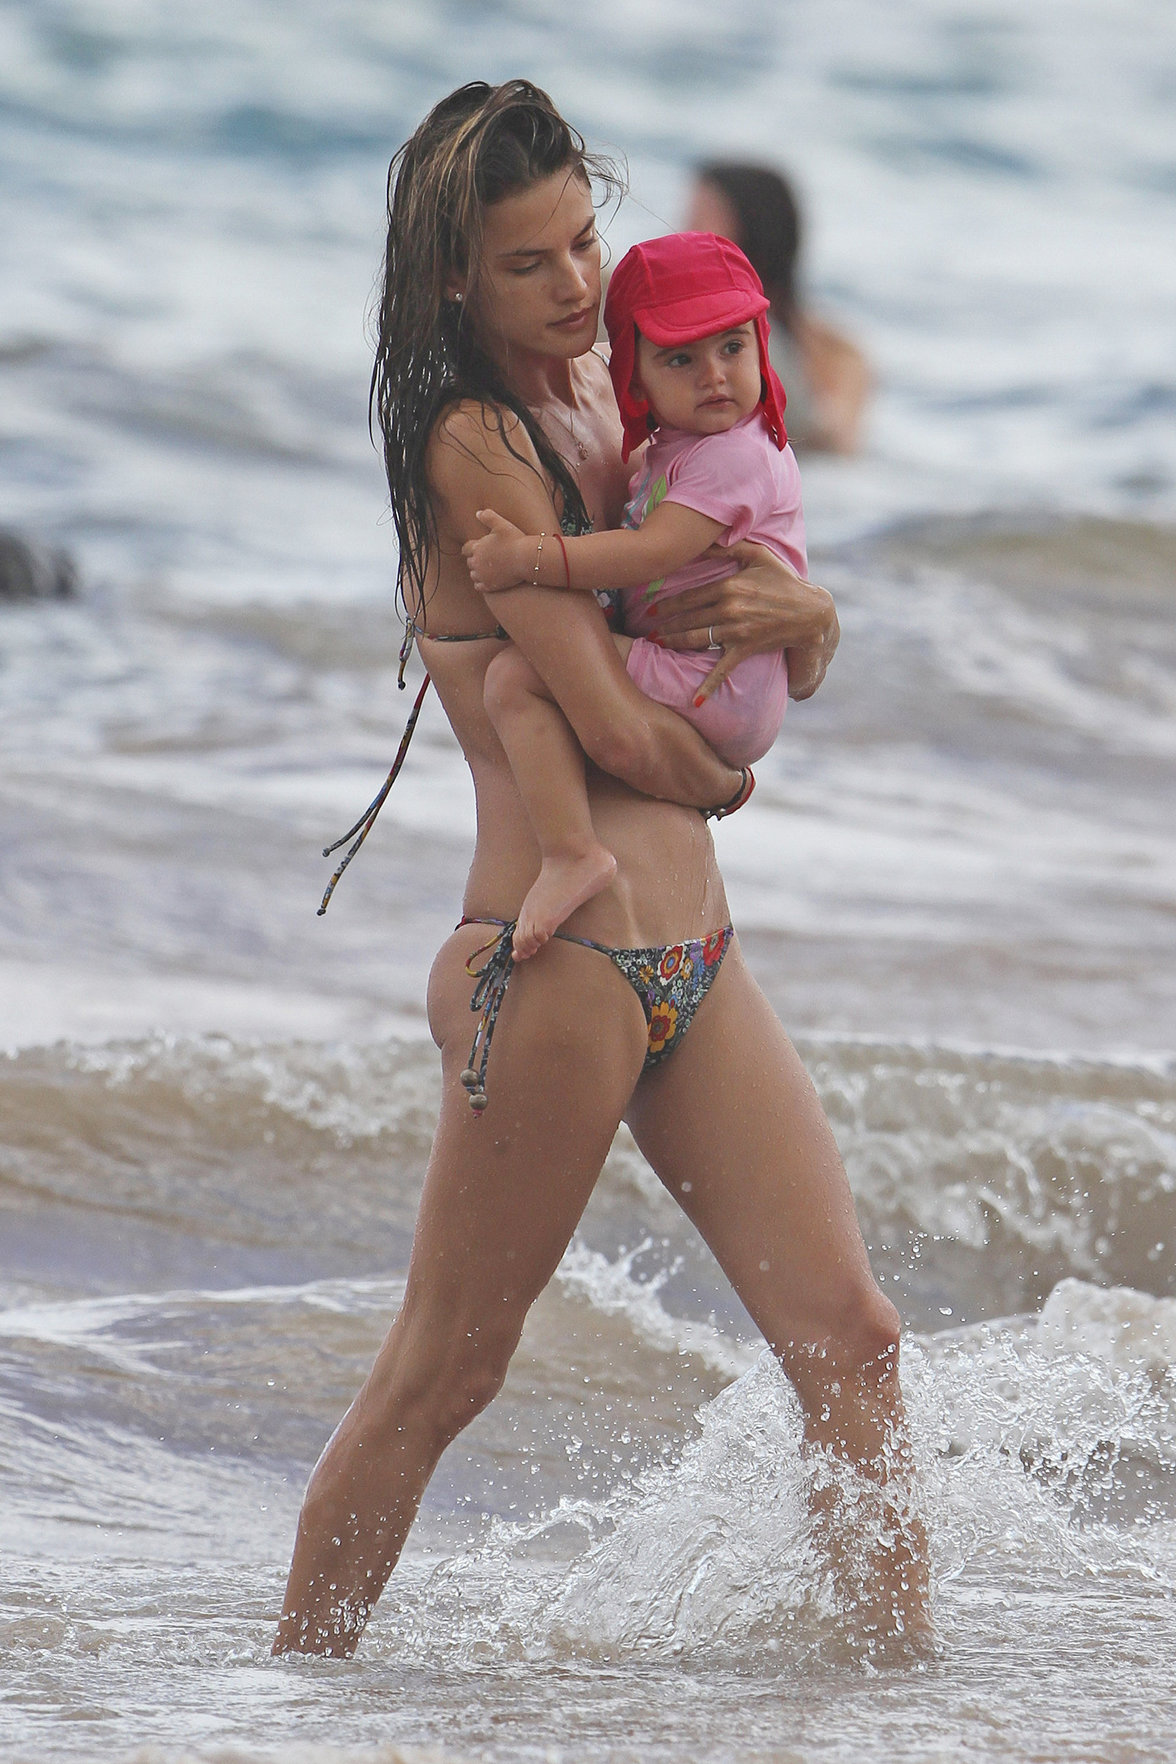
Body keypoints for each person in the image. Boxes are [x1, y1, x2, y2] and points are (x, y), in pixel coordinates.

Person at [273, 78, 929, 1660]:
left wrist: (815, 625)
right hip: (556, 962)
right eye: (529, 263)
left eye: (585, 240)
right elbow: (623, 729)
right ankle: (291, 1702)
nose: (577, 284)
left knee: (854, 1342)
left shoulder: (615, 395)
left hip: (695, 956)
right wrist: (738, 771)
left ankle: (905, 1706)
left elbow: (760, 596)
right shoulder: (473, 444)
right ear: (453, 278)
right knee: (445, 1374)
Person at [464, 230, 804, 961]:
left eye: (732, 347)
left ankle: (570, 853)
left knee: (515, 679)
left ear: (762, 344)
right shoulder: (680, 447)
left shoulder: (735, 455)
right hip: (728, 686)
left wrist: (527, 558)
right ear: (636, 378)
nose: (714, 376)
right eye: (681, 358)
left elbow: (649, 553)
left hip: (714, 682)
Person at [686, 162, 871, 455]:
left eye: (702, 217)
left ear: (755, 229)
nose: (686, 232)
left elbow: (839, 446)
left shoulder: (838, 352)